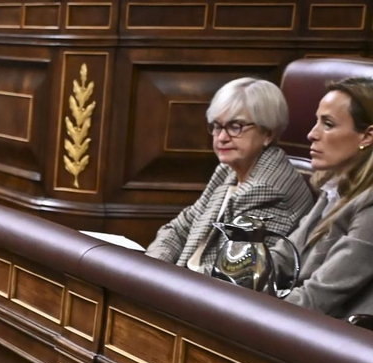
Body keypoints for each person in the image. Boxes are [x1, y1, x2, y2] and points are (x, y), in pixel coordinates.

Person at [146, 78, 312, 275]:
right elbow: (179, 228)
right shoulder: (228, 170)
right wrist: (152, 268)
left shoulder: (268, 188)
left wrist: (162, 280)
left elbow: (233, 273)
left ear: (267, 133)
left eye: (235, 126)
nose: (222, 137)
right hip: (184, 280)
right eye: (217, 126)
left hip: (210, 289)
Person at [277, 77, 373, 319]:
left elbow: (317, 298)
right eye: (316, 121)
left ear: (367, 136)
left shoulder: (370, 204)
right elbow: (284, 256)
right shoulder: (335, 186)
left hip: (335, 334)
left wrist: (250, 311)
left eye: (328, 124)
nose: (312, 134)